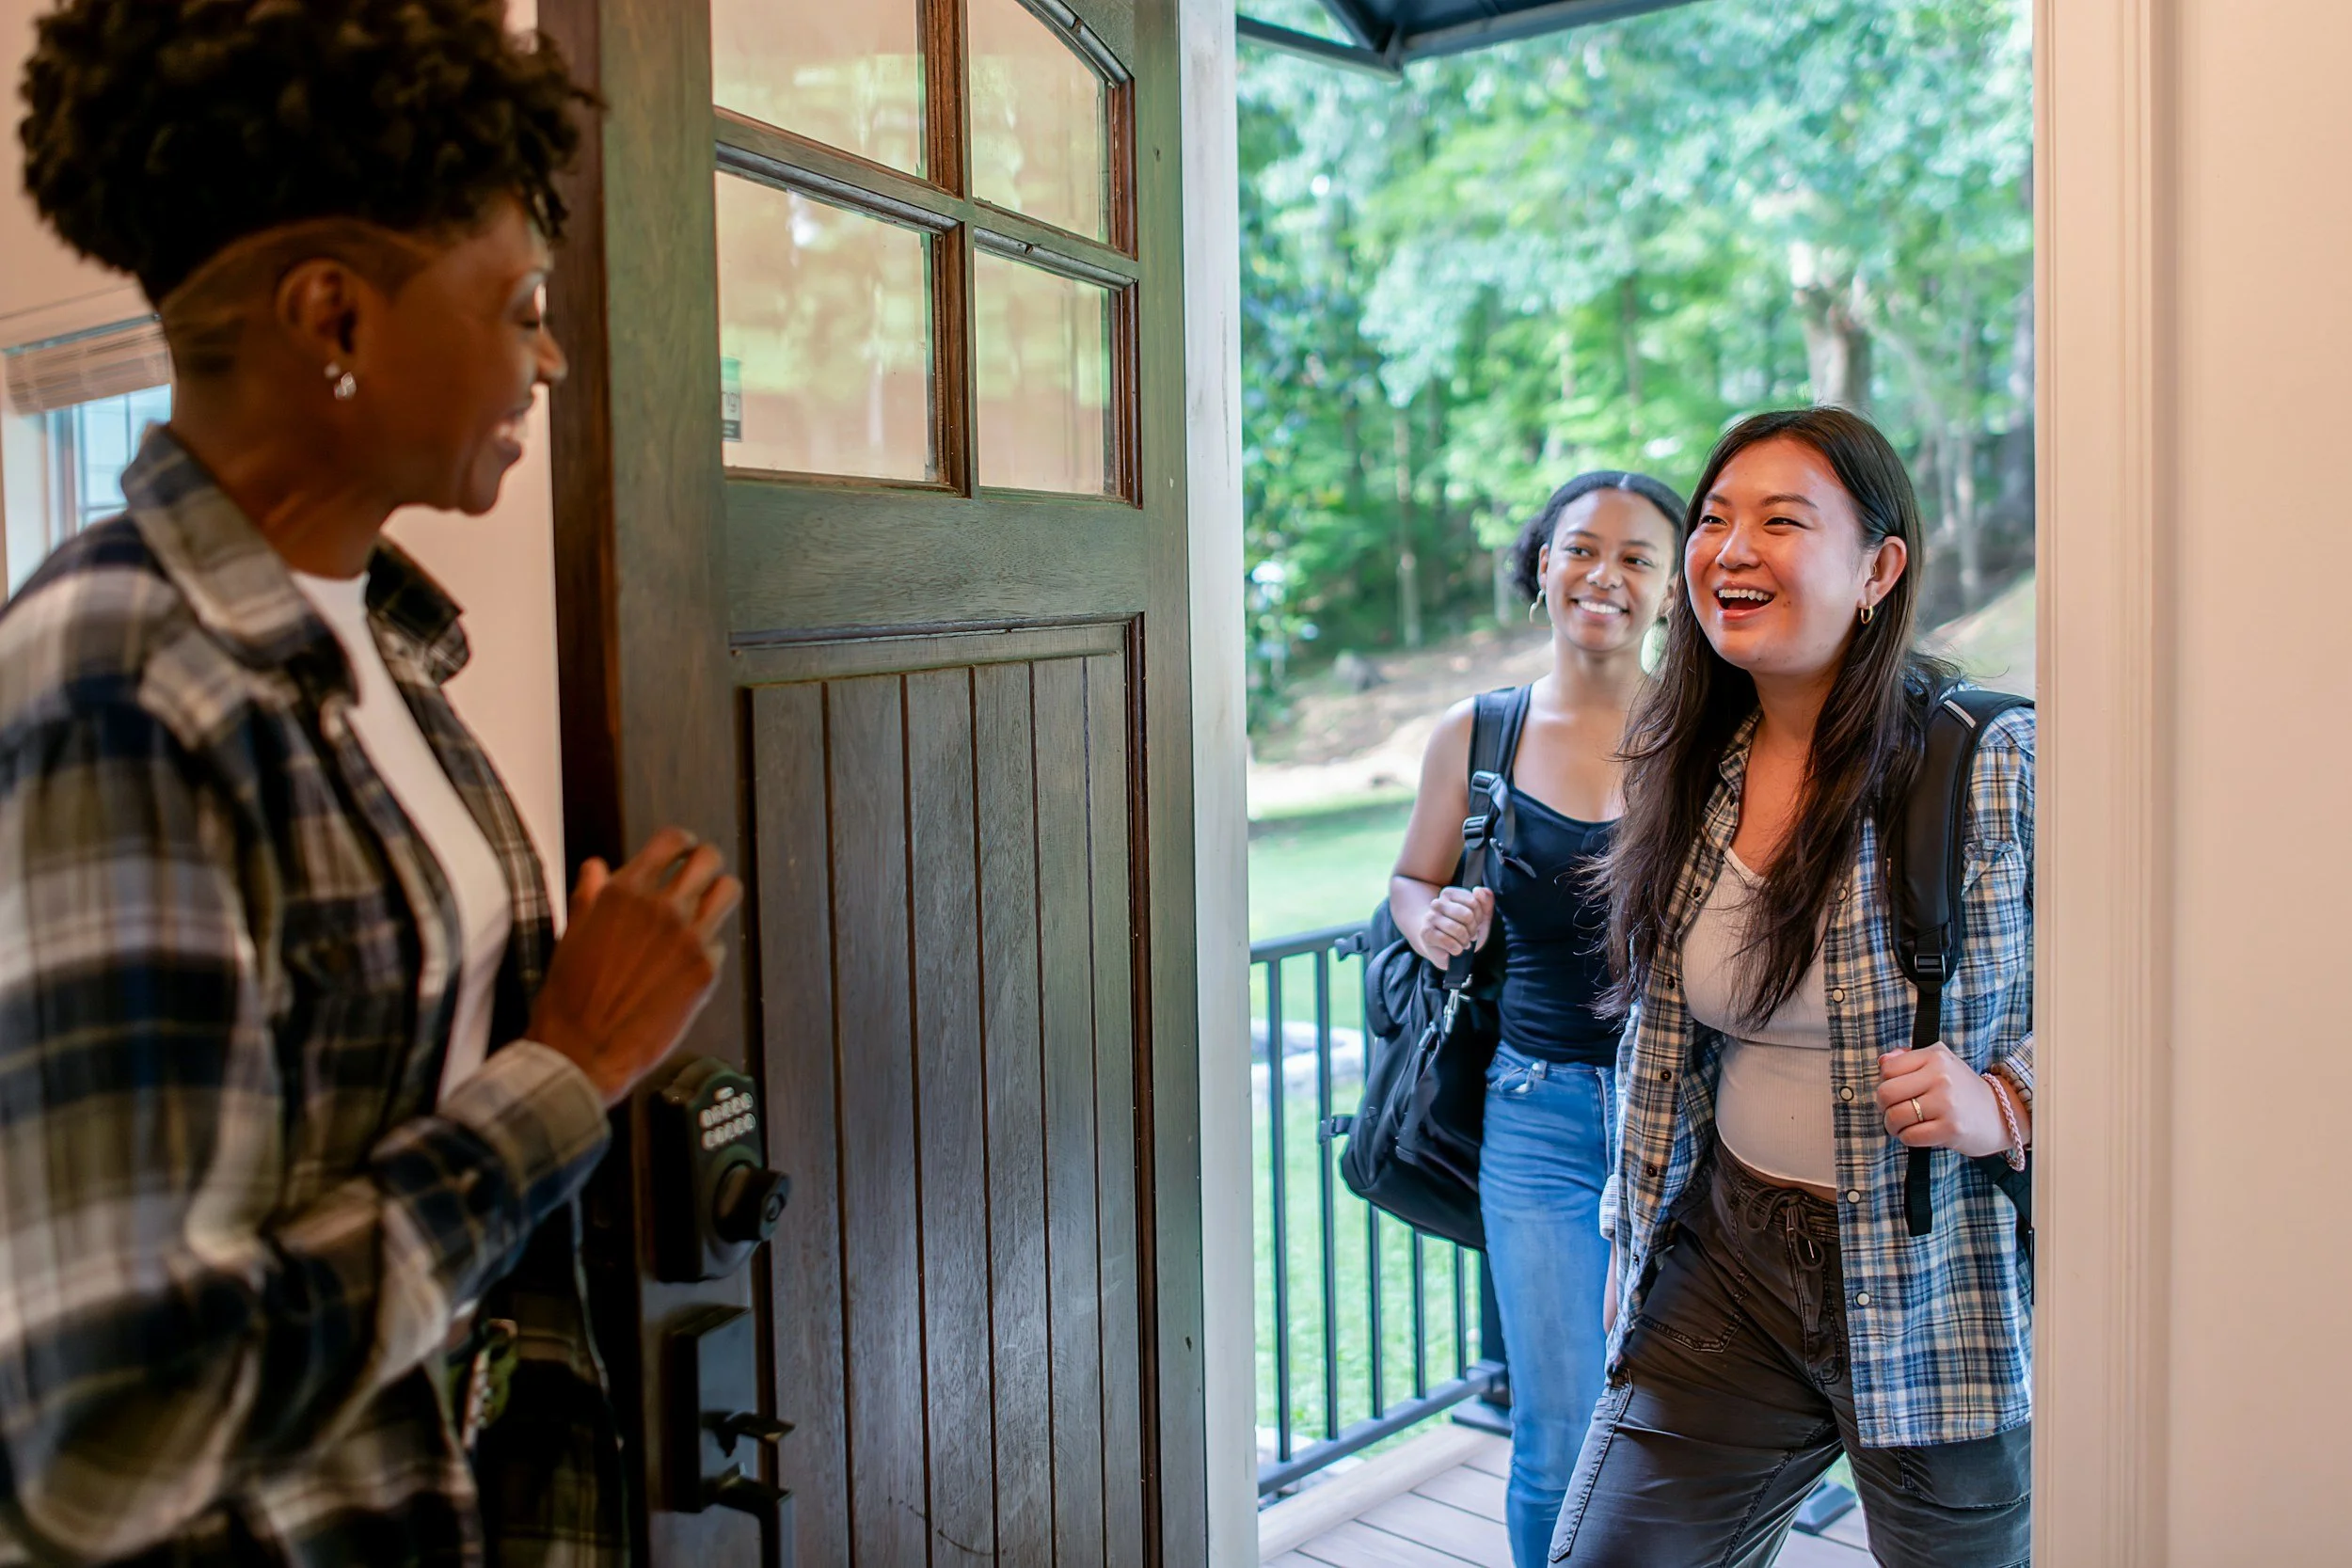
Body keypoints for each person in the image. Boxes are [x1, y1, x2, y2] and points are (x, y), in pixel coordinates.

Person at [0, 4, 733, 1562]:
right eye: (523, 302)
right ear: (335, 320)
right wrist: (568, 1070)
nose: (550, 353)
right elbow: (111, 1427)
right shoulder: (116, 687)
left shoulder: (382, 641)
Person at [1551, 407, 2033, 1566]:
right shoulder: (1689, 767)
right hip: (1726, 1261)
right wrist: (1634, 1237)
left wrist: (2007, 1098)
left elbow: (2151, 995)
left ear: (1878, 567)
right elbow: (1664, 1042)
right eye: (1713, 519)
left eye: (1780, 520)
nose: (1729, 548)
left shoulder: (1991, 759)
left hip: (1934, 1276)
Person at [1389, 470, 1684, 1568]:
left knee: (1686, 1431)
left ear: (1672, 589)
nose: (1603, 574)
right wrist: (1434, 920)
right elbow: (1410, 884)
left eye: (1637, 556)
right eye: (1579, 548)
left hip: (1699, 1122)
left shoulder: (1710, 737)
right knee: (1555, 1437)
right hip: (1538, 1114)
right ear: (1541, 565)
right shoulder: (1475, 734)